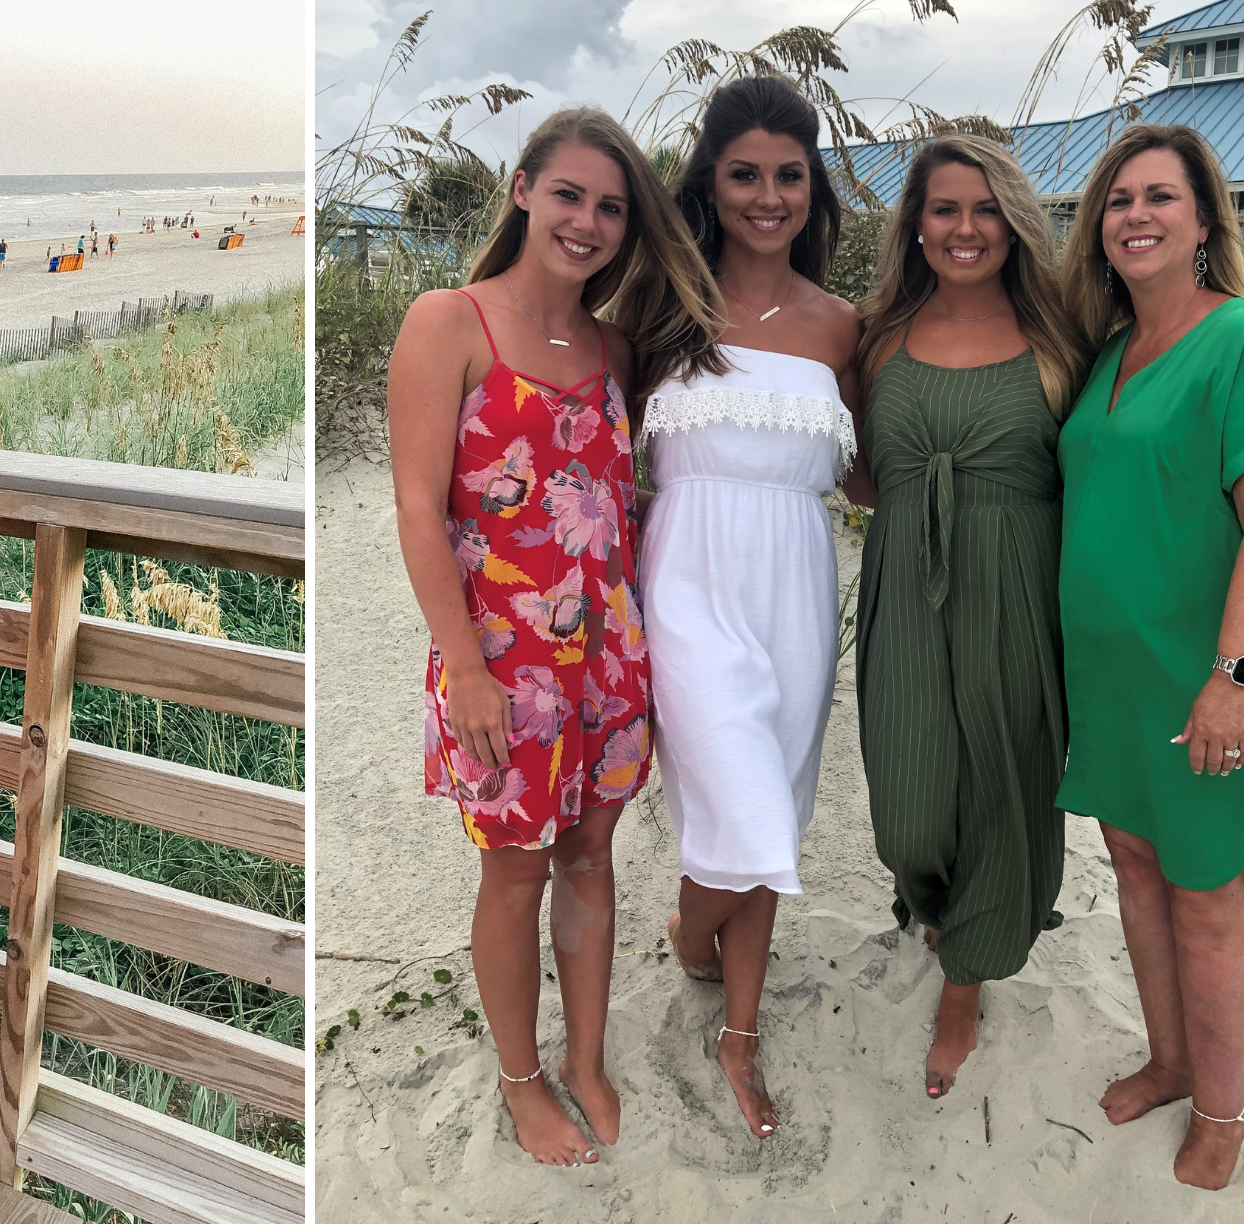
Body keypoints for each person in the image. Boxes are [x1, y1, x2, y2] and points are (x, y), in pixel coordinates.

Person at [389, 105, 724, 1168]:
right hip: (502, 664)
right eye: (568, 194)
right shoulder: (447, 322)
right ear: (522, 188)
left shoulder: (617, 348)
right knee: (515, 872)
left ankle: (584, 1057)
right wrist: (469, 670)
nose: (585, 221)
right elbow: (412, 507)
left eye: (611, 208)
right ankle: (521, 1078)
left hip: (609, 656)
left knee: (590, 859)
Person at [1053, 124, 1244, 1191]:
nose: (1135, 216)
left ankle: (1220, 1110)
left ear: (1203, 219)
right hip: (1116, 680)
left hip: (1210, 674)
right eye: (1116, 201)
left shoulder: (1243, 340)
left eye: (1158, 197)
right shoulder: (1109, 351)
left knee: (1208, 893)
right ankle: (1168, 1059)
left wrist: (1233, 678)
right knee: (1133, 867)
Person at [641, 76, 866, 1141]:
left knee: (769, 797)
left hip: (795, 585)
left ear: (810, 186)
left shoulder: (842, 326)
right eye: (743, 175)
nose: (765, 197)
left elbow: (871, 478)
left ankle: (738, 1032)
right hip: (683, 579)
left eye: (786, 175)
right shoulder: (658, 305)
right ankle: (694, 939)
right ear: (709, 181)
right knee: (738, 793)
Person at [851, 134, 1090, 1099]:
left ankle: (966, 980)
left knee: (1004, 782)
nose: (966, 228)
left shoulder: (1062, 337)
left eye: (987, 209)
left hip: (1022, 586)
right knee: (909, 813)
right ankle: (933, 902)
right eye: (946, 209)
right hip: (905, 582)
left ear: (1017, 223)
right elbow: (861, 476)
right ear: (914, 225)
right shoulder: (875, 336)